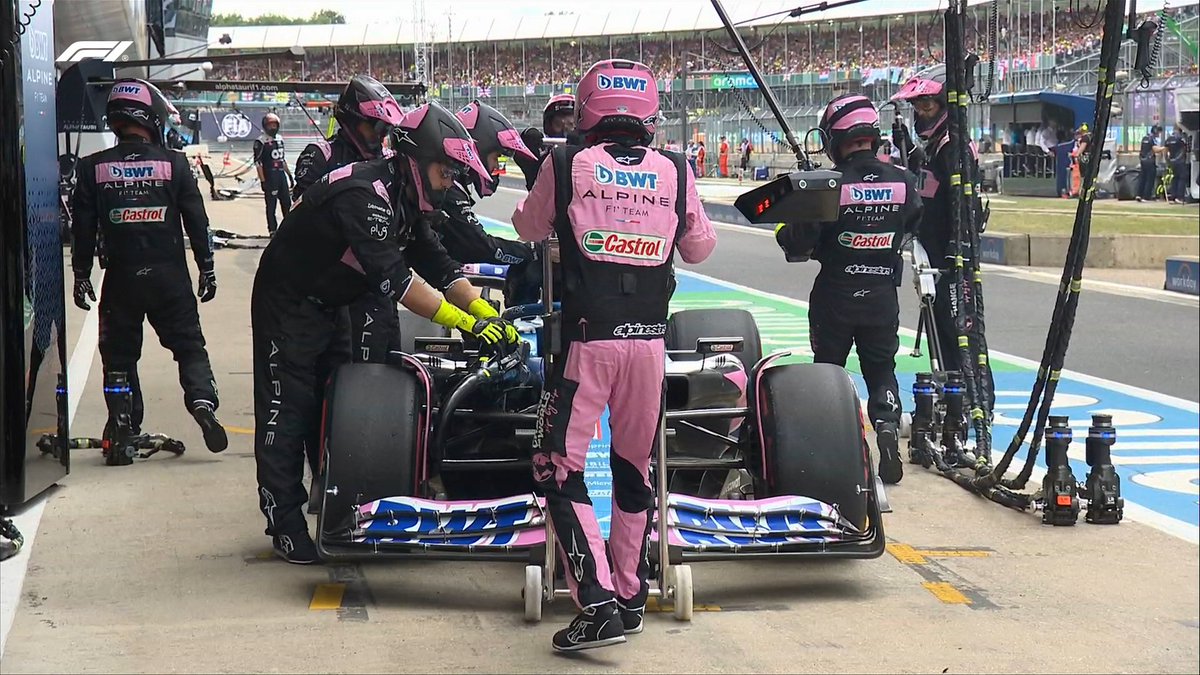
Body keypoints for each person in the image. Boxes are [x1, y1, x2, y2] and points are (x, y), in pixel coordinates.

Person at [250, 101, 520, 564]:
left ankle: (336, 503)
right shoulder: (365, 192)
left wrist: (483, 311)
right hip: (287, 303)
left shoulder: (404, 194)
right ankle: (284, 524)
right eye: (445, 172)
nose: (449, 182)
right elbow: (398, 280)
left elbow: (439, 265)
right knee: (288, 408)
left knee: (335, 406)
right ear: (419, 160)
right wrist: (467, 324)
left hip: (333, 302)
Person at [512, 58, 717, 652]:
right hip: (649, 347)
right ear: (649, 113)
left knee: (557, 468)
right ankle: (629, 596)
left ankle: (596, 603)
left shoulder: (563, 163)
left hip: (588, 345)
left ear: (587, 110)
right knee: (634, 469)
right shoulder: (676, 168)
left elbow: (527, 227)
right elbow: (700, 248)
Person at [70, 78, 228, 463]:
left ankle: (122, 424)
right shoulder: (175, 163)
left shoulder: (92, 167)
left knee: (119, 358)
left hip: (121, 279)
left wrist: (80, 274)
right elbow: (197, 221)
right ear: (150, 117)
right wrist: (206, 268)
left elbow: (82, 228)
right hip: (169, 278)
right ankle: (203, 405)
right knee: (189, 347)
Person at [773, 94, 921, 485]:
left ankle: (831, 449)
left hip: (835, 295)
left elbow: (797, 244)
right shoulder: (904, 181)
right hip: (881, 295)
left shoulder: (828, 185)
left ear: (834, 138)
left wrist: (793, 219)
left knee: (827, 371)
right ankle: (886, 427)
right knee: (882, 369)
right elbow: (912, 223)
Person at [890, 65, 991, 391]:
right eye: (917, 106)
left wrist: (957, 249)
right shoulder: (937, 145)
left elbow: (962, 202)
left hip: (952, 260)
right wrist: (909, 150)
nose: (920, 112)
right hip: (932, 256)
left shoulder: (954, 146)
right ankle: (952, 399)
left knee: (961, 334)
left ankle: (977, 402)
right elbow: (929, 184)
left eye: (927, 105)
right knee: (942, 332)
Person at [435, 100, 542, 267]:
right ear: (480, 148)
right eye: (496, 157)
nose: (497, 166)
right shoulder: (447, 188)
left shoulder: (452, 184)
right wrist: (533, 252)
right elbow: (479, 245)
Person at [291, 74, 404, 201]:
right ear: (353, 120)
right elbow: (301, 208)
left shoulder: (387, 157)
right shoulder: (321, 155)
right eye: (376, 127)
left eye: (385, 129)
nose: (380, 135)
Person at [513, 94, 577, 191]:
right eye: (559, 120)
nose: (565, 124)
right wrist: (526, 141)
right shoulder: (543, 157)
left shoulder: (589, 152)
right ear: (549, 124)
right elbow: (523, 160)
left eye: (571, 121)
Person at [253, 112, 293, 234]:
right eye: (270, 125)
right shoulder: (260, 141)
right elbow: (258, 163)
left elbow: (282, 160)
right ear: (265, 126)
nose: (272, 127)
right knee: (271, 206)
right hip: (270, 176)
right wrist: (263, 181)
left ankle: (288, 228)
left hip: (281, 175)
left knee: (287, 203)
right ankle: (272, 230)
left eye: (274, 125)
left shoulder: (280, 139)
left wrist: (289, 175)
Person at [1137, 124, 1164, 202]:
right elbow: (1155, 149)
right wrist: (1163, 148)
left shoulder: (1144, 138)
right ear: (1155, 131)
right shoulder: (1152, 138)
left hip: (1143, 160)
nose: (1159, 134)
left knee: (1143, 178)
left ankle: (1139, 195)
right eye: (1159, 132)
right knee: (1150, 179)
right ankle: (1146, 197)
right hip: (1149, 161)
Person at [1165, 128, 1190, 204]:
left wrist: (1168, 161)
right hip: (1180, 161)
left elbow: (1166, 151)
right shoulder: (1181, 138)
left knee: (1175, 178)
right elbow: (1185, 149)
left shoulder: (1168, 139)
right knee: (1182, 178)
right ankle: (1179, 197)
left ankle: (1173, 197)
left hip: (1172, 162)